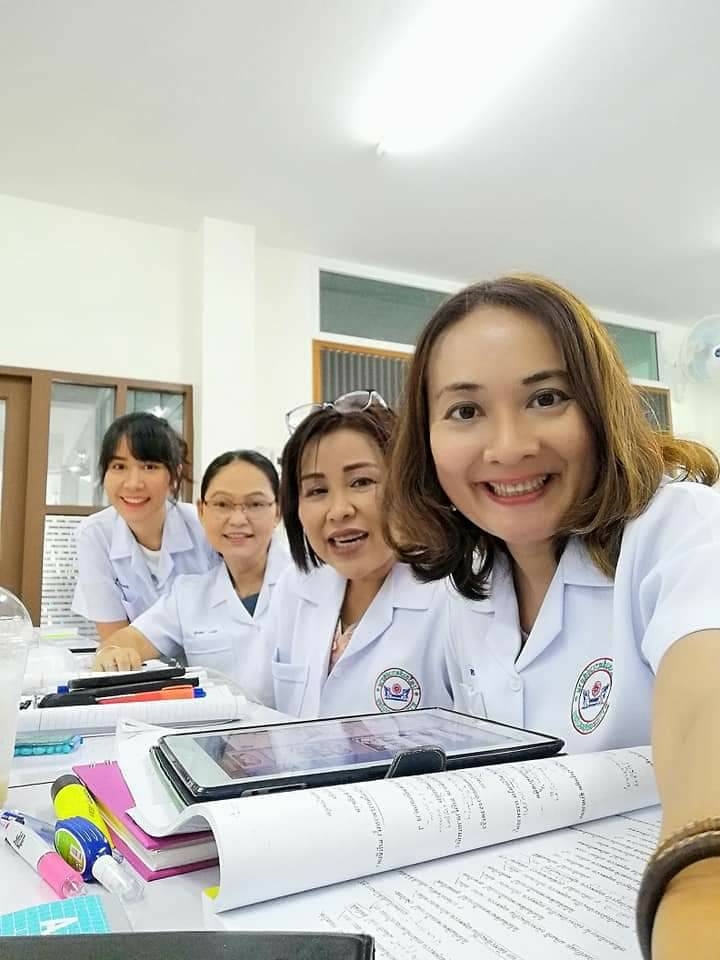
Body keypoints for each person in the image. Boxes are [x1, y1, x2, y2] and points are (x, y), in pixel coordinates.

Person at [384, 273, 720, 959]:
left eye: (546, 398)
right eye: (465, 411)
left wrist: (701, 883)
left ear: (600, 408)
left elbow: (705, 710)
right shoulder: (469, 586)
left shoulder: (680, 528)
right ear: (427, 438)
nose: (508, 447)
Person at [254, 393, 453, 718]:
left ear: (408, 481)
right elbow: (258, 710)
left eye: (361, 482)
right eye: (317, 490)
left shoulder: (452, 598)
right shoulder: (296, 587)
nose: (339, 510)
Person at [93, 450, 290, 686]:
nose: (238, 519)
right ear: (202, 511)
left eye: (255, 504)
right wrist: (113, 652)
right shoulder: (189, 595)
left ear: (278, 511)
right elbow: (130, 640)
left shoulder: (309, 585)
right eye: (222, 504)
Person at [72, 413, 218, 642]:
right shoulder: (95, 535)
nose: (133, 484)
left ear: (175, 475)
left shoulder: (205, 526)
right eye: (119, 466)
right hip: (137, 661)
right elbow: (116, 642)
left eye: (149, 466)